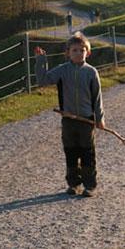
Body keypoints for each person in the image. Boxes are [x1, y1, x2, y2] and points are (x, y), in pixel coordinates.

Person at [34, 32, 105, 197]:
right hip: (68, 120)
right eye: (75, 50)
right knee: (71, 152)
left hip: (86, 120)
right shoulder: (62, 70)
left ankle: (89, 185)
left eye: (82, 50)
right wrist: (40, 61)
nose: (79, 53)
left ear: (88, 52)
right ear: (67, 53)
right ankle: (73, 184)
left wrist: (99, 118)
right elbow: (43, 80)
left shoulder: (91, 72)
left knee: (87, 152)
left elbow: (97, 97)